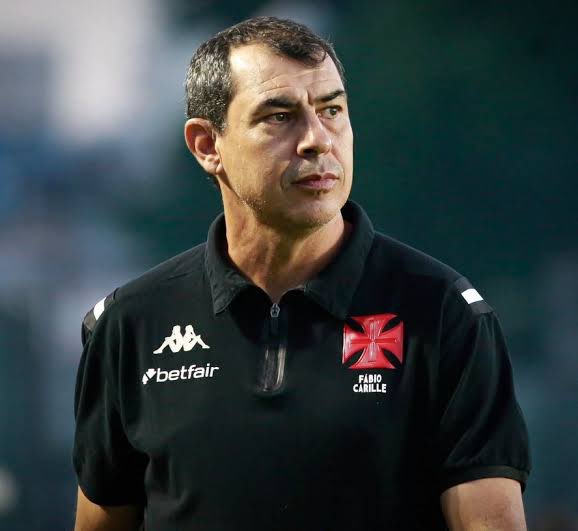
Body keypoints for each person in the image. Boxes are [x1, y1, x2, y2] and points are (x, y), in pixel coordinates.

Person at [73, 16, 530, 531]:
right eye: (279, 116)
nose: (317, 140)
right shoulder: (130, 324)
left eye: (332, 110)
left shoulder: (444, 313)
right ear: (207, 145)